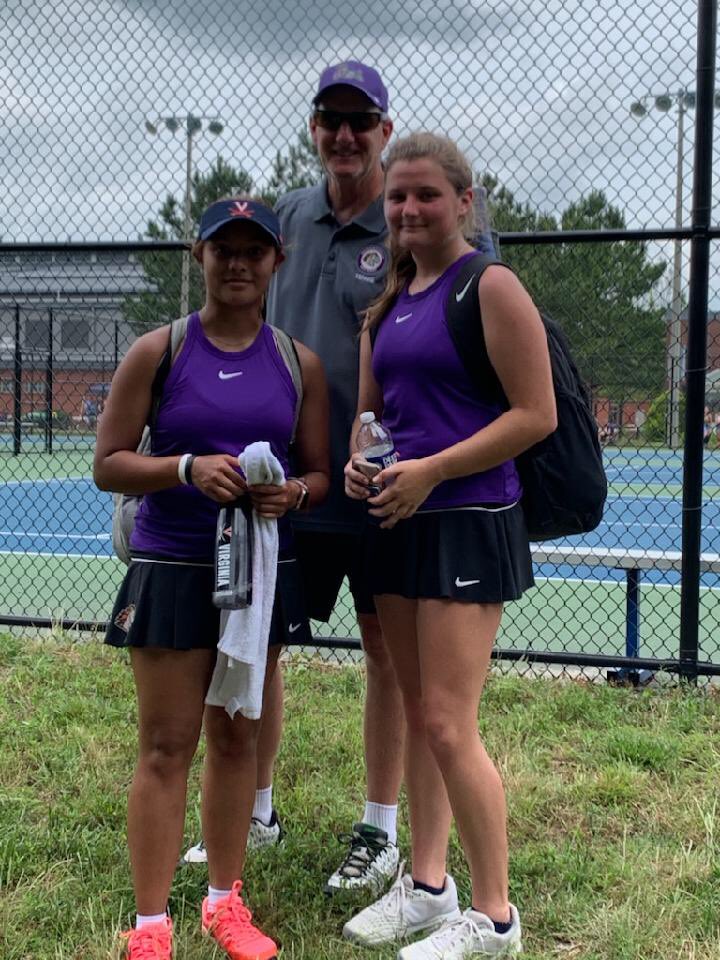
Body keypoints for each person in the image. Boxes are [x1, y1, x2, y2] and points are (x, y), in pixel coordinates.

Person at [186, 60, 406, 893]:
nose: (344, 135)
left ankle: (378, 831)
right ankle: (258, 813)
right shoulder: (285, 225)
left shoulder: (409, 216)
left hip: (382, 482)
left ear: (385, 129)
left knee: (385, 650)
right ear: (314, 128)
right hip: (290, 480)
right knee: (260, 644)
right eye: (330, 119)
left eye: (361, 120)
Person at [94, 197, 329, 960]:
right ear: (198, 256)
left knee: (237, 739)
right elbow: (109, 464)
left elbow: (319, 474)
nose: (237, 263)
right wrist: (186, 469)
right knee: (166, 746)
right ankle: (150, 927)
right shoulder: (156, 352)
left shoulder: (300, 364)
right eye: (222, 248)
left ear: (275, 263)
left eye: (252, 250)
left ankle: (225, 903)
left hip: (254, 580)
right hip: (172, 566)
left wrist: (291, 493)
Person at [342, 132, 556, 957]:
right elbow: (371, 418)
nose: (408, 210)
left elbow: (535, 415)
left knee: (446, 722)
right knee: (419, 708)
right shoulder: (386, 306)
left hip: (468, 520)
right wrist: (366, 464)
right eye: (397, 197)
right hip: (398, 522)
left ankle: (497, 918)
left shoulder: (490, 286)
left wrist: (432, 470)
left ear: (464, 201)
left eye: (426, 195)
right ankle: (427, 886)